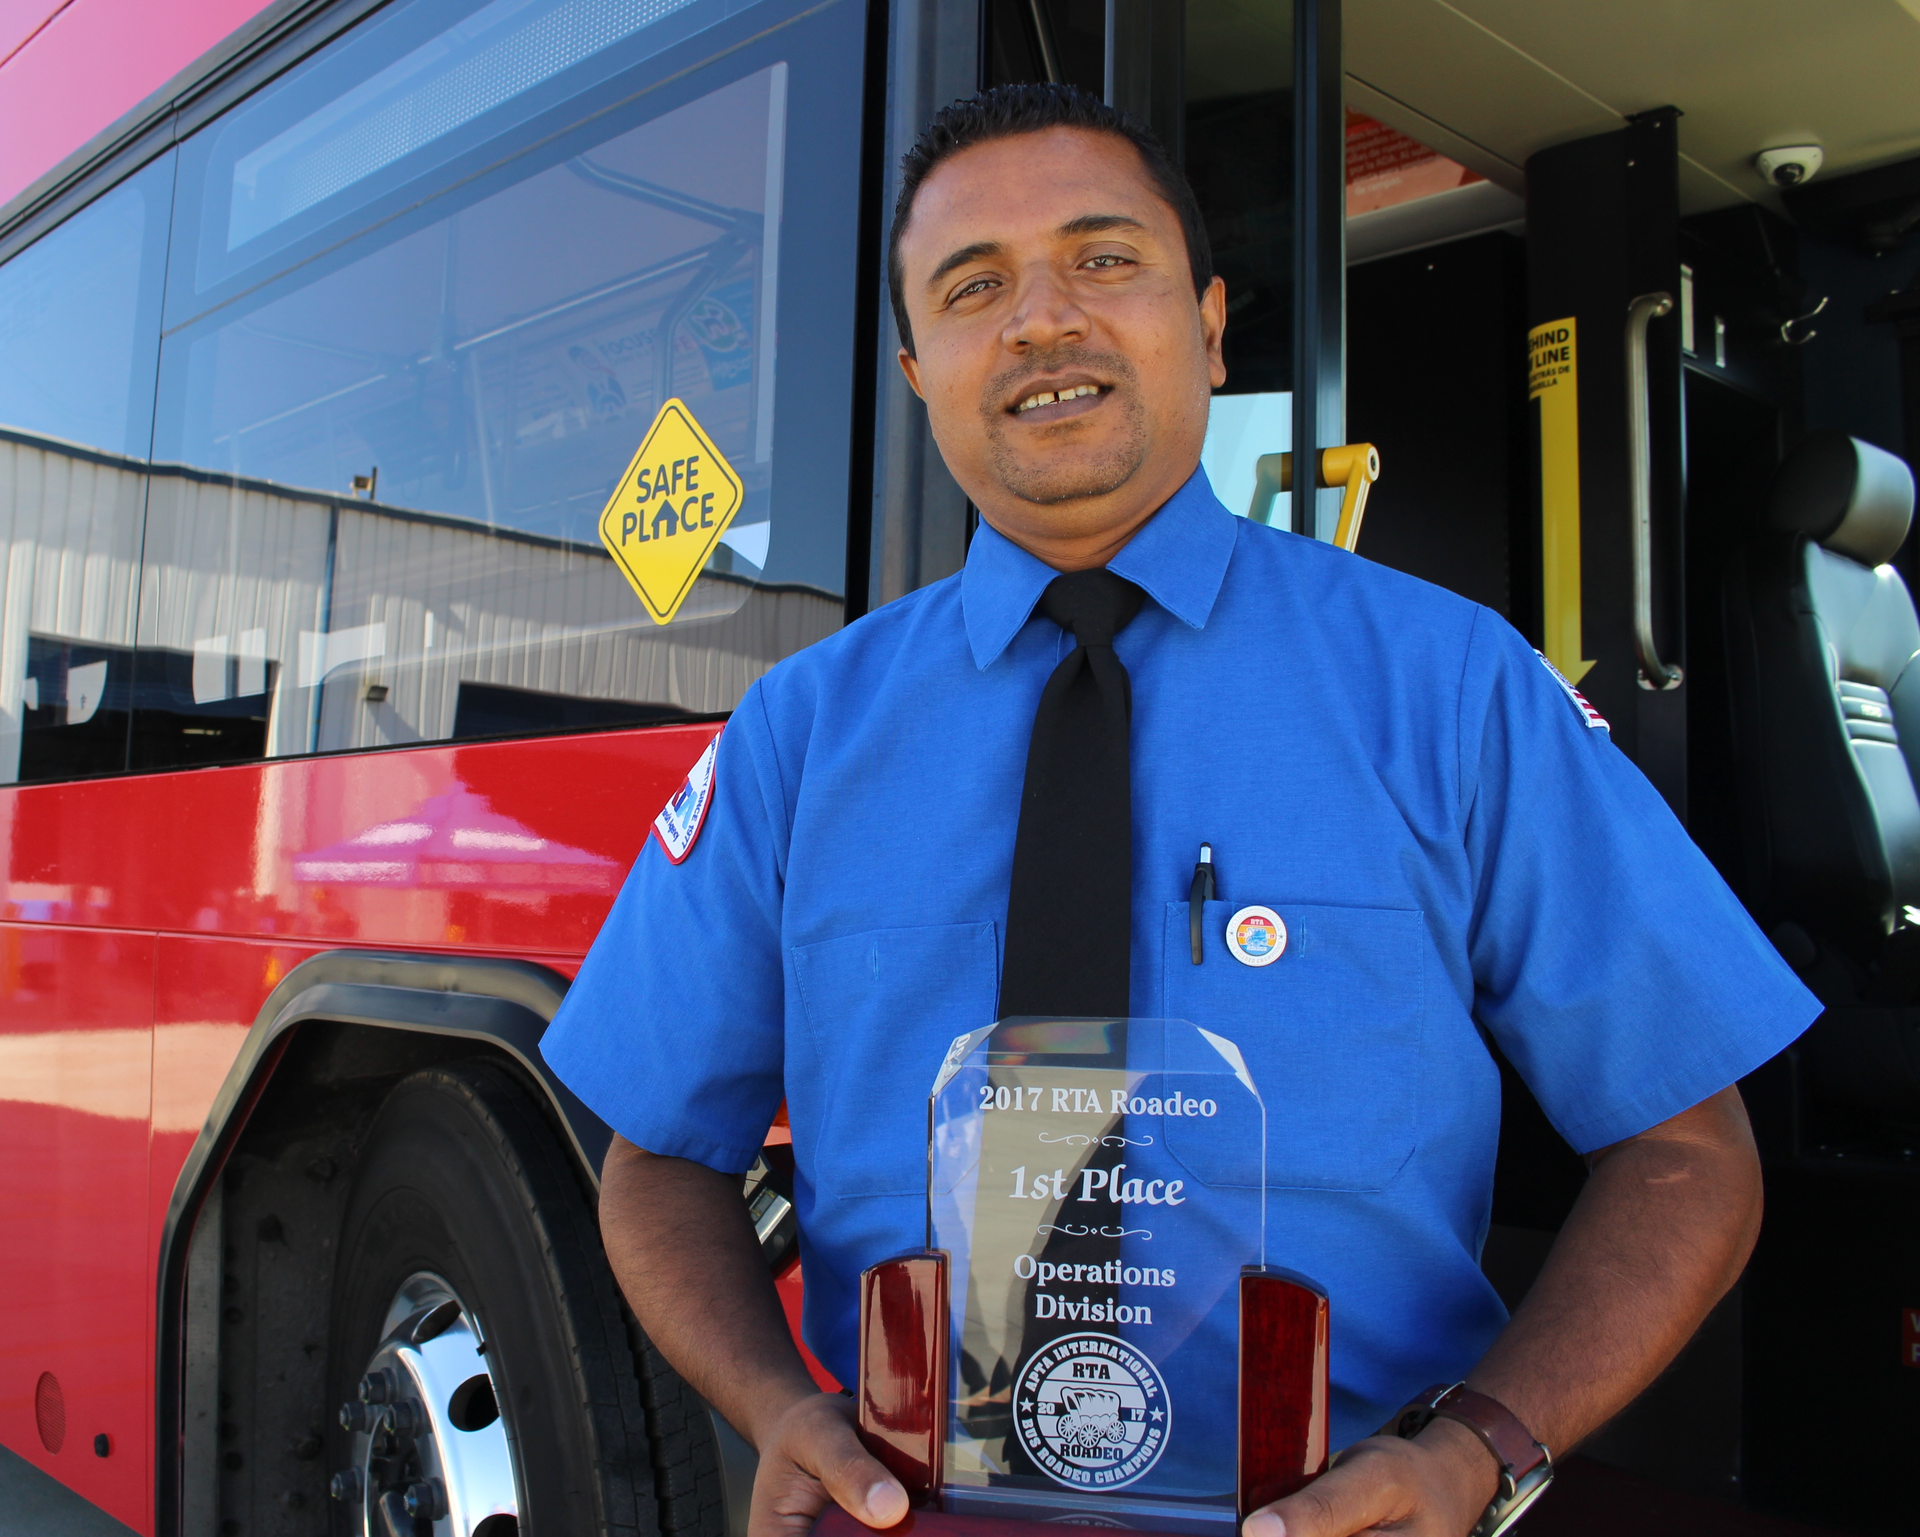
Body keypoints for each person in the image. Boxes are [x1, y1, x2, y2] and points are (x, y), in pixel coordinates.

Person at [542, 83, 1817, 1537]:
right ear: (916, 371)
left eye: (1104, 258)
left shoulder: (1453, 686)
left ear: (1209, 326)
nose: (1041, 320)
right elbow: (659, 1159)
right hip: (913, 1513)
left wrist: (1480, 1454)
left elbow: (1686, 1155)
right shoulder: (800, 733)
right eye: (973, 288)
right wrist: (775, 1408)